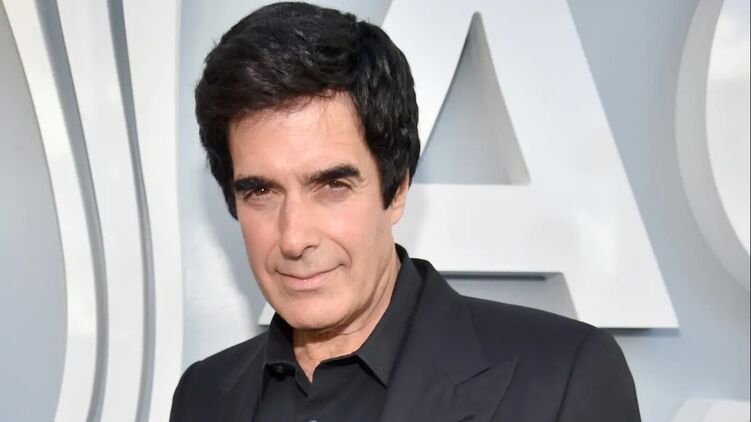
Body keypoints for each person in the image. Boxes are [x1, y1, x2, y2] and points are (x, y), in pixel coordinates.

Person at [170, 2, 641, 421]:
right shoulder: (203, 396)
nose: (294, 238)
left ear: (396, 189)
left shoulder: (562, 378)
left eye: (332, 186)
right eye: (261, 192)